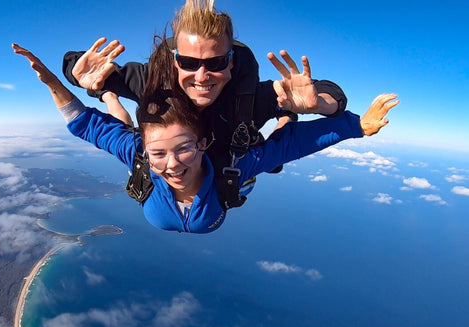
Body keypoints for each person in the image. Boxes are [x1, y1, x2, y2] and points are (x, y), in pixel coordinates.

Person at [14, 41, 398, 234]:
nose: (173, 165)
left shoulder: (235, 145)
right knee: (124, 125)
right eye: (160, 154)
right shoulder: (147, 151)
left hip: (235, 144)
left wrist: (347, 122)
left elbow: (297, 142)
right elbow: (87, 124)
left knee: (275, 152)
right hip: (157, 139)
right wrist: (56, 79)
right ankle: (116, 102)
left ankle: (281, 118)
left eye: (182, 150)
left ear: (201, 144)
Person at [62, 0, 349, 209]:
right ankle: (107, 96)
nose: (202, 76)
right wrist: (77, 72)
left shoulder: (245, 96)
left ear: (231, 63)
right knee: (122, 120)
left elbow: (332, 95)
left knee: (276, 154)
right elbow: (73, 62)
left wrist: (318, 105)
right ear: (175, 61)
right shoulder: (152, 82)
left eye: (215, 63)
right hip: (177, 155)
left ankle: (286, 115)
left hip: (228, 160)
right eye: (189, 63)